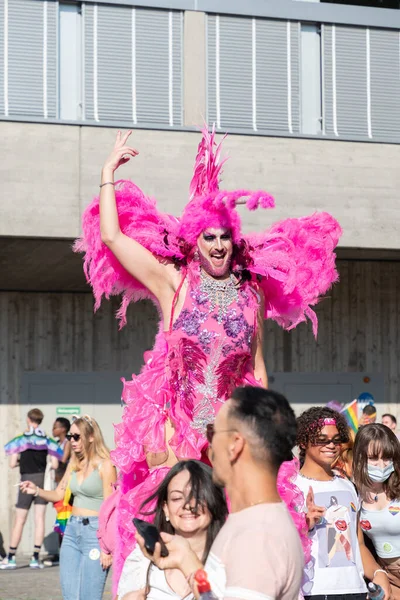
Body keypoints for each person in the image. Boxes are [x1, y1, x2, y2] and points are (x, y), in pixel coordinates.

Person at [74, 127, 342, 583]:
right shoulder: (173, 282)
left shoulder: (250, 291)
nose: (217, 245)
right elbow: (115, 238)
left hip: (230, 432)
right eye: (208, 237)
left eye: (224, 237)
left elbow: (255, 366)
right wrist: (106, 175)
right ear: (194, 240)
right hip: (175, 430)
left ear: (233, 240)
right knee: (172, 531)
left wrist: (270, 433)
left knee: (234, 538)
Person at [136, 387, 304, 600]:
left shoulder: (257, 536)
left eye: (212, 433)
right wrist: (187, 561)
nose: (207, 446)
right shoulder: (251, 521)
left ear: (234, 445)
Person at [294, 406, 391, 600]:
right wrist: (304, 525)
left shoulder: (348, 486)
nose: (331, 445)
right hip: (313, 591)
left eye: (337, 440)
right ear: (303, 442)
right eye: (322, 440)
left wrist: (379, 573)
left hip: (355, 589)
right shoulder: (292, 486)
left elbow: (359, 544)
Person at [19, 415, 116, 600]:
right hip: (71, 532)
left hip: (95, 535)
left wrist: (106, 547)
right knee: (70, 596)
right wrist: (36, 490)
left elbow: (110, 508)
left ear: (91, 437)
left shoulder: (106, 465)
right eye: (70, 436)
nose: (72, 441)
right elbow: (58, 495)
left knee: (89, 596)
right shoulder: (74, 464)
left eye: (76, 437)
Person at [118, 460, 228, 600]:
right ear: (166, 509)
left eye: (198, 496)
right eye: (177, 498)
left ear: (214, 503)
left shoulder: (230, 563)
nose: (188, 505)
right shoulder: (141, 560)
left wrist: (187, 562)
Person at [1, 408, 62, 570]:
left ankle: (11, 557)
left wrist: (22, 462)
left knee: (20, 520)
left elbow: (12, 463)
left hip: (25, 481)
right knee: (39, 519)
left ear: (29, 420)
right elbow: (55, 464)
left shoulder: (21, 439)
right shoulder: (48, 440)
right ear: (41, 420)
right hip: (41, 481)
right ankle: (35, 558)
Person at [353, 423, 400, 599]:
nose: (381, 465)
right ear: (359, 457)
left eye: (387, 458)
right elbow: (359, 544)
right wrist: (377, 573)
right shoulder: (352, 492)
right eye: (373, 458)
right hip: (386, 574)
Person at [44, 417, 72, 567]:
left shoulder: (67, 443)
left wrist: (51, 450)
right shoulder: (60, 443)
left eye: (55, 427)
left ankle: (65, 552)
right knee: (61, 519)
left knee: (64, 519)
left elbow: (63, 459)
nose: (53, 429)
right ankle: (63, 552)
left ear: (62, 429)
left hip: (66, 488)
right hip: (59, 485)